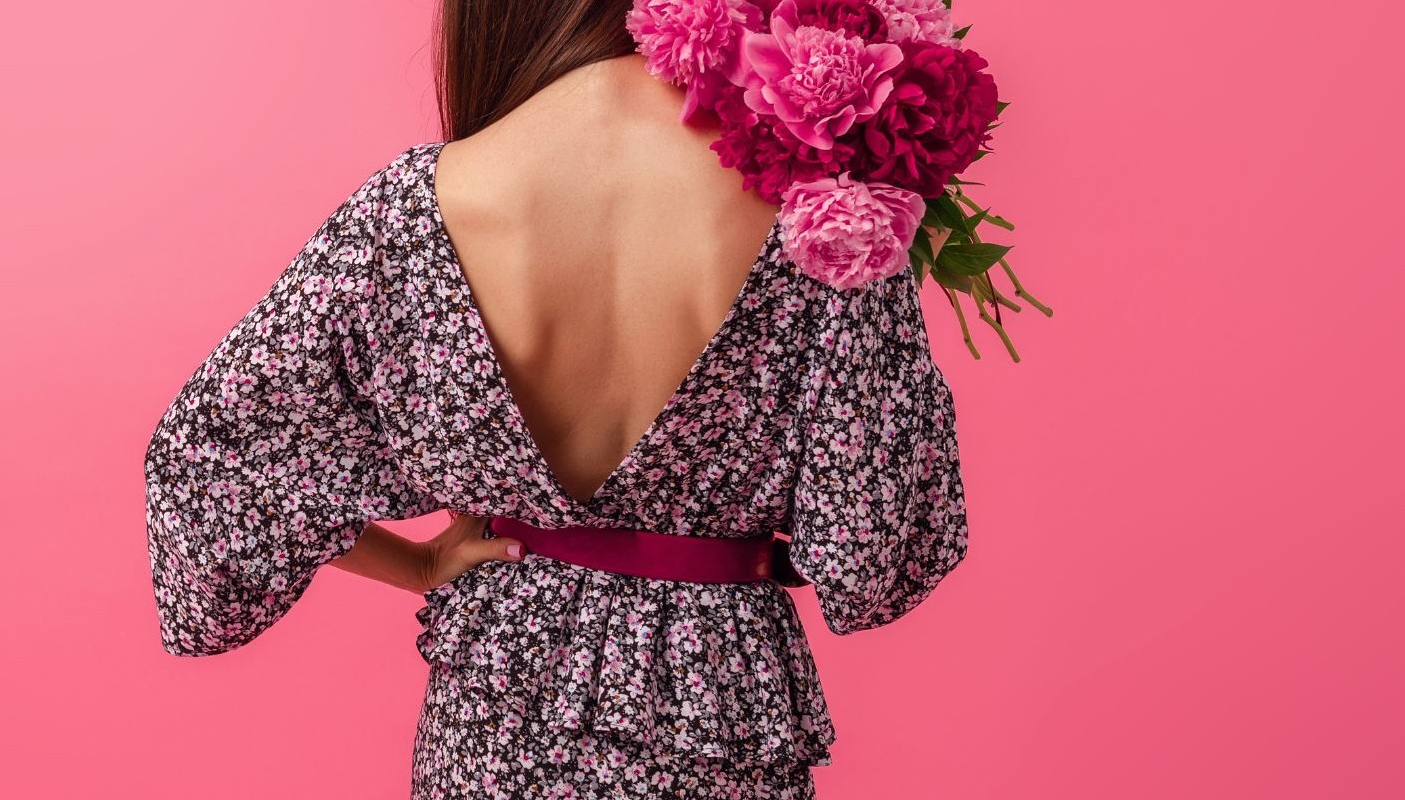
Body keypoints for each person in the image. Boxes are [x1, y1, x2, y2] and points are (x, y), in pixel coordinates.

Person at [141, 3, 968, 797]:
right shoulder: (824, 210)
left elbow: (212, 460)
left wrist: (421, 566)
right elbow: (875, 557)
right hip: (718, 700)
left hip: (502, 702)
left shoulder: (411, 206)